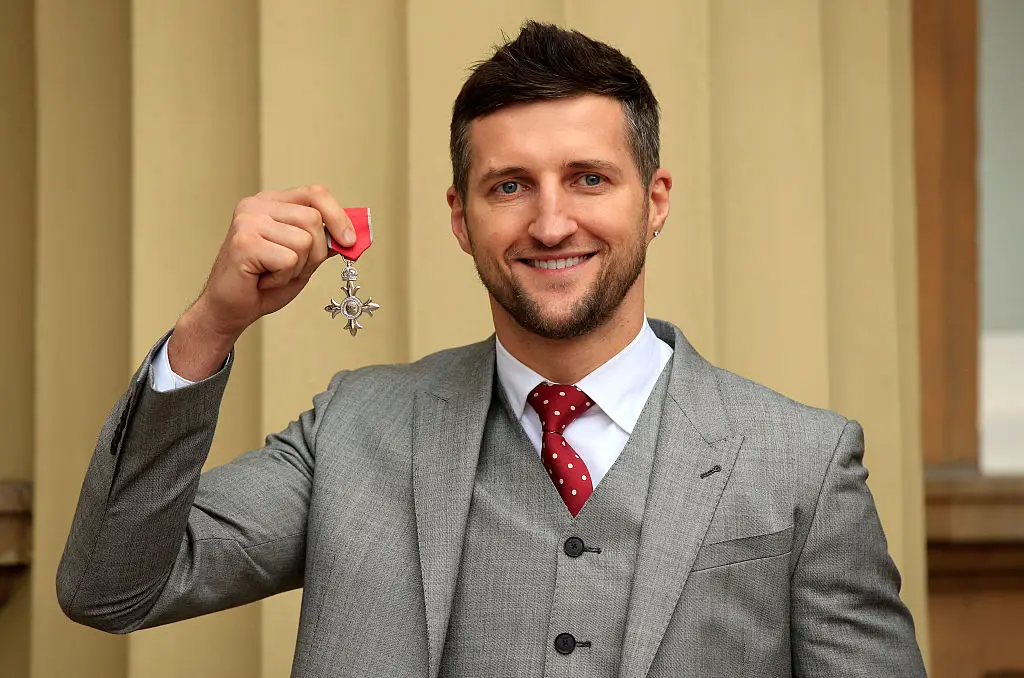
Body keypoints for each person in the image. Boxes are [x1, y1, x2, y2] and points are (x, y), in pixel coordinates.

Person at [58, 21, 926, 677]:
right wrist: (212, 325)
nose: (551, 223)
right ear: (460, 218)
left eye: (589, 178)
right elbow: (110, 587)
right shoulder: (355, 431)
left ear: (654, 200)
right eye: (509, 186)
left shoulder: (801, 463)